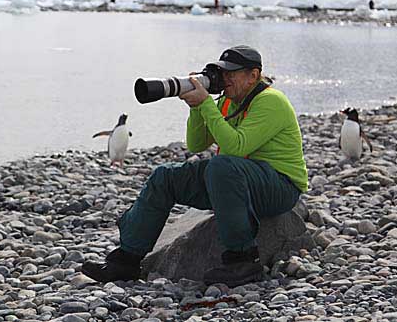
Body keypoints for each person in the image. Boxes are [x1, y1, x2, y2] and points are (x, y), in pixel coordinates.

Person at [81, 45, 308, 287]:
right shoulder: (228, 102)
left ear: (253, 75)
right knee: (165, 177)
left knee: (221, 166)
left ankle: (243, 260)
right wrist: (197, 108)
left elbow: (235, 148)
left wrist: (206, 105)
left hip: (280, 186)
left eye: (232, 73)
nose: (225, 79)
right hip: (237, 181)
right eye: (223, 72)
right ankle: (126, 261)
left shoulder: (271, 101)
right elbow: (197, 144)